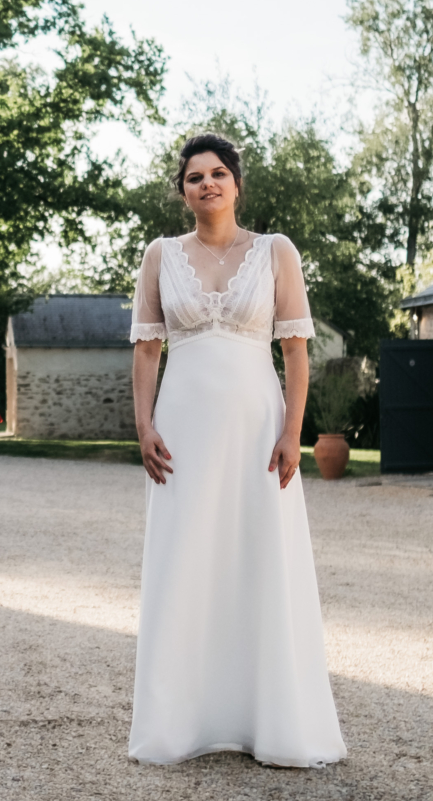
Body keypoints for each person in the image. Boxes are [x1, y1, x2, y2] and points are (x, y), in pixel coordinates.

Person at [126, 132, 346, 767]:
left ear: (237, 183)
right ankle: (179, 725)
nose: (208, 184)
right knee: (184, 559)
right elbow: (147, 351)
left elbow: (296, 350)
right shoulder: (159, 255)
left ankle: (270, 722)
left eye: (218, 173)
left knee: (260, 555)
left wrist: (292, 432)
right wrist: (143, 427)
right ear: (183, 191)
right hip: (182, 427)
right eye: (195, 177)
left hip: (257, 427)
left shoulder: (277, 251)